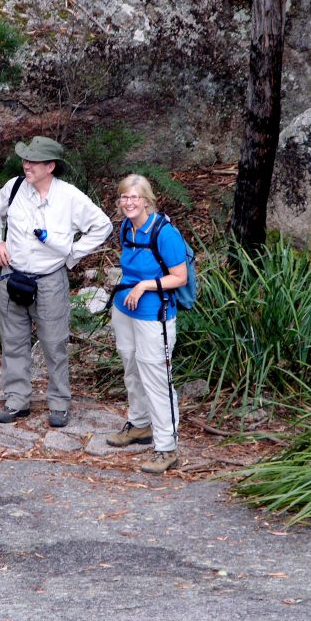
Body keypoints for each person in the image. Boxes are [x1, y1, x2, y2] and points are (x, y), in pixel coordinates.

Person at [0, 136, 112, 428]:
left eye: (33, 161)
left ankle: (58, 403)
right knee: (13, 341)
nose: (26, 165)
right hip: (12, 276)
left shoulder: (69, 197)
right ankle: (17, 400)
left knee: (54, 344)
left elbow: (102, 226)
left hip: (49, 280)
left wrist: (72, 254)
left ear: (50, 166)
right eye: (25, 160)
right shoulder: (14, 187)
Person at [107, 174, 188, 474]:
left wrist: (145, 286)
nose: (128, 202)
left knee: (156, 375)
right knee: (131, 366)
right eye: (124, 197)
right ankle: (140, 424)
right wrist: (132, 288)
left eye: (134, 197)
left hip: (155, 314)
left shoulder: (164, 233)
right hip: (124, 308)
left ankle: (166, 447)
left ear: (147, 200)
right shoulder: (127, 227)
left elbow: (179, 277)